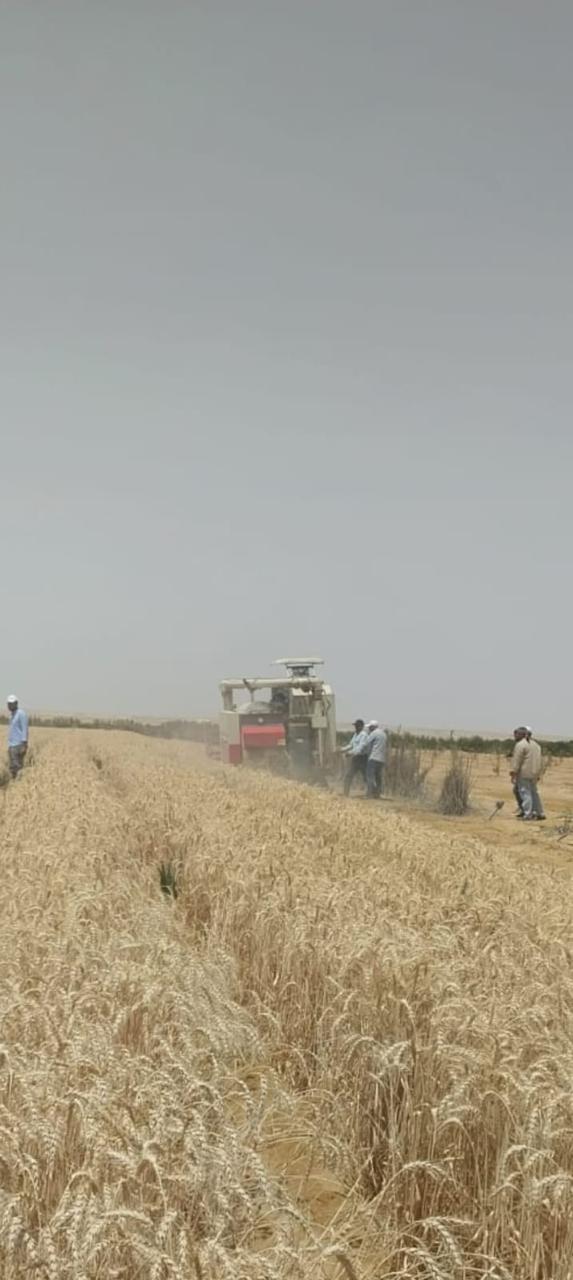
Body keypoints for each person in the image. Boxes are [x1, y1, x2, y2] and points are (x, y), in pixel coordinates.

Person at [510, 726, 545, 821]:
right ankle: (540, 813)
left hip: (524, 773)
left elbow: (517, 761)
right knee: (534, 793)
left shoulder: (520, 745)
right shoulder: (537, 745)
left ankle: (527, 814)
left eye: (516, 734)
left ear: (521, 734)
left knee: (525, 793)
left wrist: (513, 772)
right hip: (535, 773)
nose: (515, 736)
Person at [341, 719, 369, 795]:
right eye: (355, 726)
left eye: (357, 726)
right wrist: (341, 749)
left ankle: (371, 792)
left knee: (366, 777)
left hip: (362, 758)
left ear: (361, 726)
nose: (356, 727)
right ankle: (345, 793)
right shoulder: (356, 734)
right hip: (356, 758)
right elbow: (351, 745)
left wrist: (350, 753)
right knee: (349, 775)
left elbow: (360, 748)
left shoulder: (364, 735)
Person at [7, 695, 29, 779]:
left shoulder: (21, 714)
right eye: (9, 704)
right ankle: (15, 782)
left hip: (18, 745)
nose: (10, 705)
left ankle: (19, 783)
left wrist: (24, 744)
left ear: (16, 703)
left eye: (12, 703)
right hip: (12, 744)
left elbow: (25, 728)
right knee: (13, 767)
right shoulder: (12, 715)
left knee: (17, 766)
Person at [365, 720, 387, 799]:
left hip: (373, 757)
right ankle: (378, 794)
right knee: (378, 777)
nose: (369, 729)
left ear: (373, 727)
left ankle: (369, 794)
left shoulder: (374, 733)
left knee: (369, 776)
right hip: (381, 759)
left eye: (370, 727)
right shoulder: (383, 734)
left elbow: (366, 742)